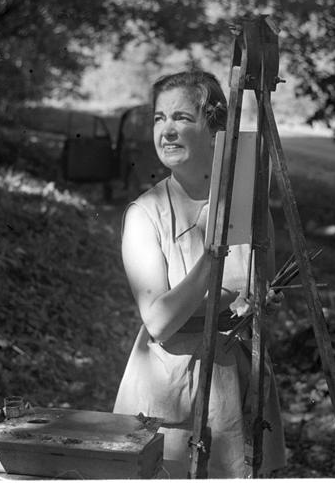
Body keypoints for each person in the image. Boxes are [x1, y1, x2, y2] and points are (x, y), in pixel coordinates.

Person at [113, 70, 286, 478]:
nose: (167, 131)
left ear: (215, 132)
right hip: (171, 391)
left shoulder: (249, 206)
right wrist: (212, 255)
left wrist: (264, 300)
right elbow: (158, 321)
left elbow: (261, 287)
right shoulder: (145, 214)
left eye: (182, 118)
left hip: (239, 380)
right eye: (160, 118)